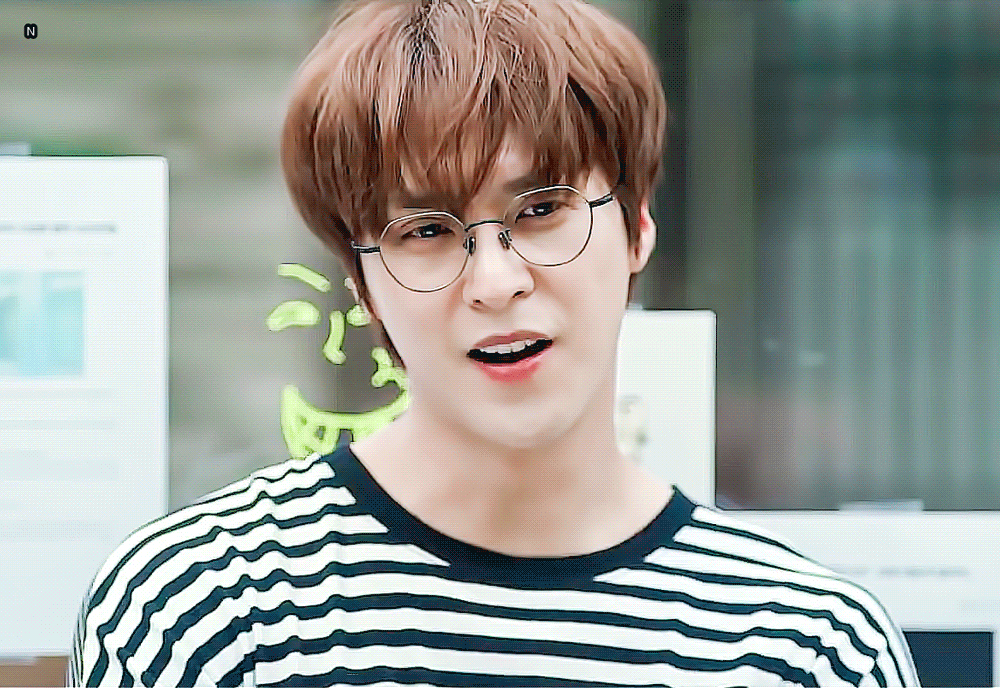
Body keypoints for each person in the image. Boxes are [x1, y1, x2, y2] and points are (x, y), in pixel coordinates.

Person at [69, 0, 921, 685]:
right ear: (362, 286)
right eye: (426, 229)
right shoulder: (205, 612)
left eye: (542, 209)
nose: (495, 280)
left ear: (636, 228)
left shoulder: (801, 645)